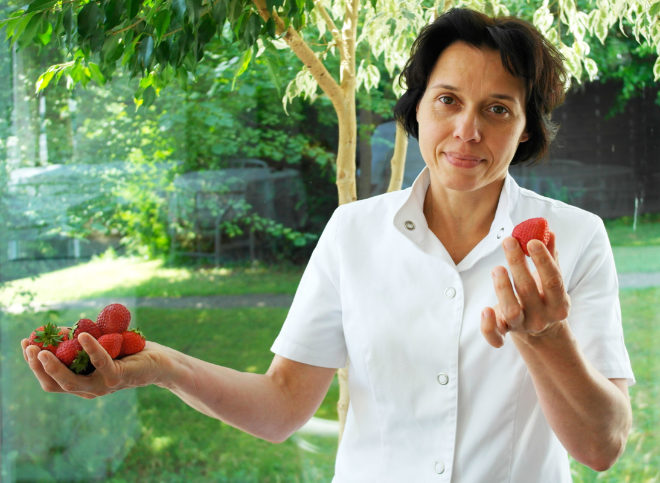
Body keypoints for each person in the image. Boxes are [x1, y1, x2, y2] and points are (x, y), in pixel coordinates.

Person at [22, 7, 634, 482]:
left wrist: (545, 338)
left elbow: (601, 447)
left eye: (498, 109)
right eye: (447, 100)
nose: (467, 130)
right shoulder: (354, 232)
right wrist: (160, 366)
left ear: (526, 128)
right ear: (417, 108)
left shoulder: (575, 240)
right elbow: (282, 407)